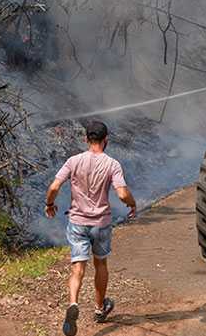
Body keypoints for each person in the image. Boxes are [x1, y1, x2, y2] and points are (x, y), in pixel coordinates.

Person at [45, 121, 137, 336]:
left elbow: (54, 186)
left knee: (78, 267)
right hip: (101, 223)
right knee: (101, 263)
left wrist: (49, 204)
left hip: (77, 221)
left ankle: (73, 304)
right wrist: (132, 204)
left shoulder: (73, 161)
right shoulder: (112, 164)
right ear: (106, 140)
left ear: (86, 139)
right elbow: (122, 193)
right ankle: (99, 309)